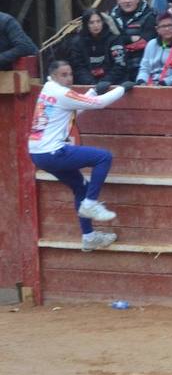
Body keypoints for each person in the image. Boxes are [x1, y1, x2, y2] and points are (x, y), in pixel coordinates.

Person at [27, 59, 126, 251]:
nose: (69, 78)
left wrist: (94, 90)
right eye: (64, 75)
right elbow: (99, 104)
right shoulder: (61, 92)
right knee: (103, 157)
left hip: (38, 153)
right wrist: (122, 88)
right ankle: (90, 203)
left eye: (70, 74)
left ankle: (89, 237)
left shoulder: (48, 89)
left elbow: (73, 108)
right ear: (54, 76)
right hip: (53, 152)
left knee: (81, 187)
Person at [68, 9, 128, 88]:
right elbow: (78, 67)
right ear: (86, 24)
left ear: (103, 22)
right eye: (91, 22)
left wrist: (105, 82)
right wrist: (91, 84)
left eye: (98, 21)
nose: (96, 25)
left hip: (112, 83)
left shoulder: (114, 39)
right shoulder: (78, 42)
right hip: (88, 84)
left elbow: (120, 64)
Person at [135, 14, 172, 86]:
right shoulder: (151, 44)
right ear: (157, 29)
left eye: (170, 25)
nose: (167, 29)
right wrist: (142, 81)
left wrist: (164, 83)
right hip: (149, 85)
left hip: (170, 86)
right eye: (163, 26)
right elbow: (144, 68)